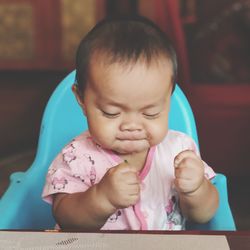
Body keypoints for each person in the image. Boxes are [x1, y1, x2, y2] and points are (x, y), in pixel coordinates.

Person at [42, 16, 219, 231]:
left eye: (151, 113)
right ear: (81, 100)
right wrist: (101, 198)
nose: (132, 126)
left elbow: (204, 215)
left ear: (168, 99)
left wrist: (196, 189)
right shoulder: (76, 156)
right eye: (111, 113)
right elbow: (66, 217)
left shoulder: (179, 150)